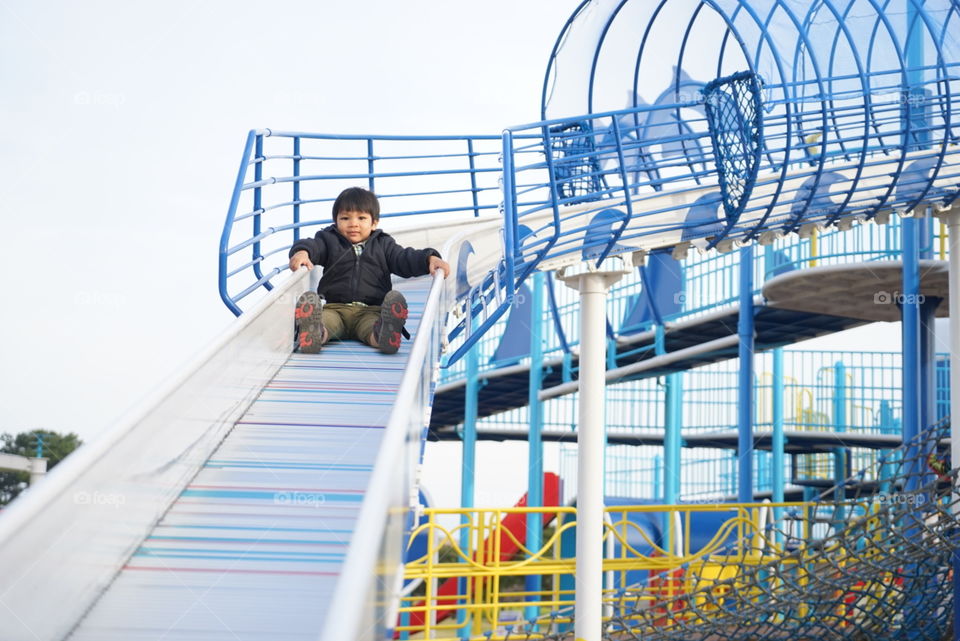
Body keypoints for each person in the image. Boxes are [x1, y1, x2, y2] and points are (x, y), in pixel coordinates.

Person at [288, 186, 450, 354]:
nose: (353, 224)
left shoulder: (384, 244)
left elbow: (404, 258)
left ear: (374, 223)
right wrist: (302, 252)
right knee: (325, 322)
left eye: (361, 218)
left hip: (371, 310)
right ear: (336, 221)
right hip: (335, 308)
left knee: (372, 329)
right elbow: (313, 246)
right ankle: (314, 334)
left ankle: (385, 335)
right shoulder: (328, 240)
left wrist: (429, 258)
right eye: (345, 218)